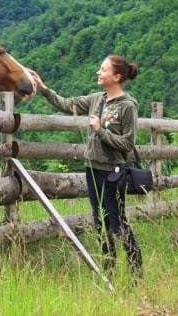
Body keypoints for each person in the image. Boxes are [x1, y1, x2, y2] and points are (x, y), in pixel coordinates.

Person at [28, 55, 143, 279]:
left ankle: (136, 274)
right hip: (92, 169)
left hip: (113, 172)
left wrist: (101, 131)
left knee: (117, 224)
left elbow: (128, 144)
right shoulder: (96, 99)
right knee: (99, 222)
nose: (98, 72)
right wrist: (43, 89)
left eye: (103, 69)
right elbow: (66, 104)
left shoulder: (128, 106)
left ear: (117, 76)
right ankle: (109, 273)